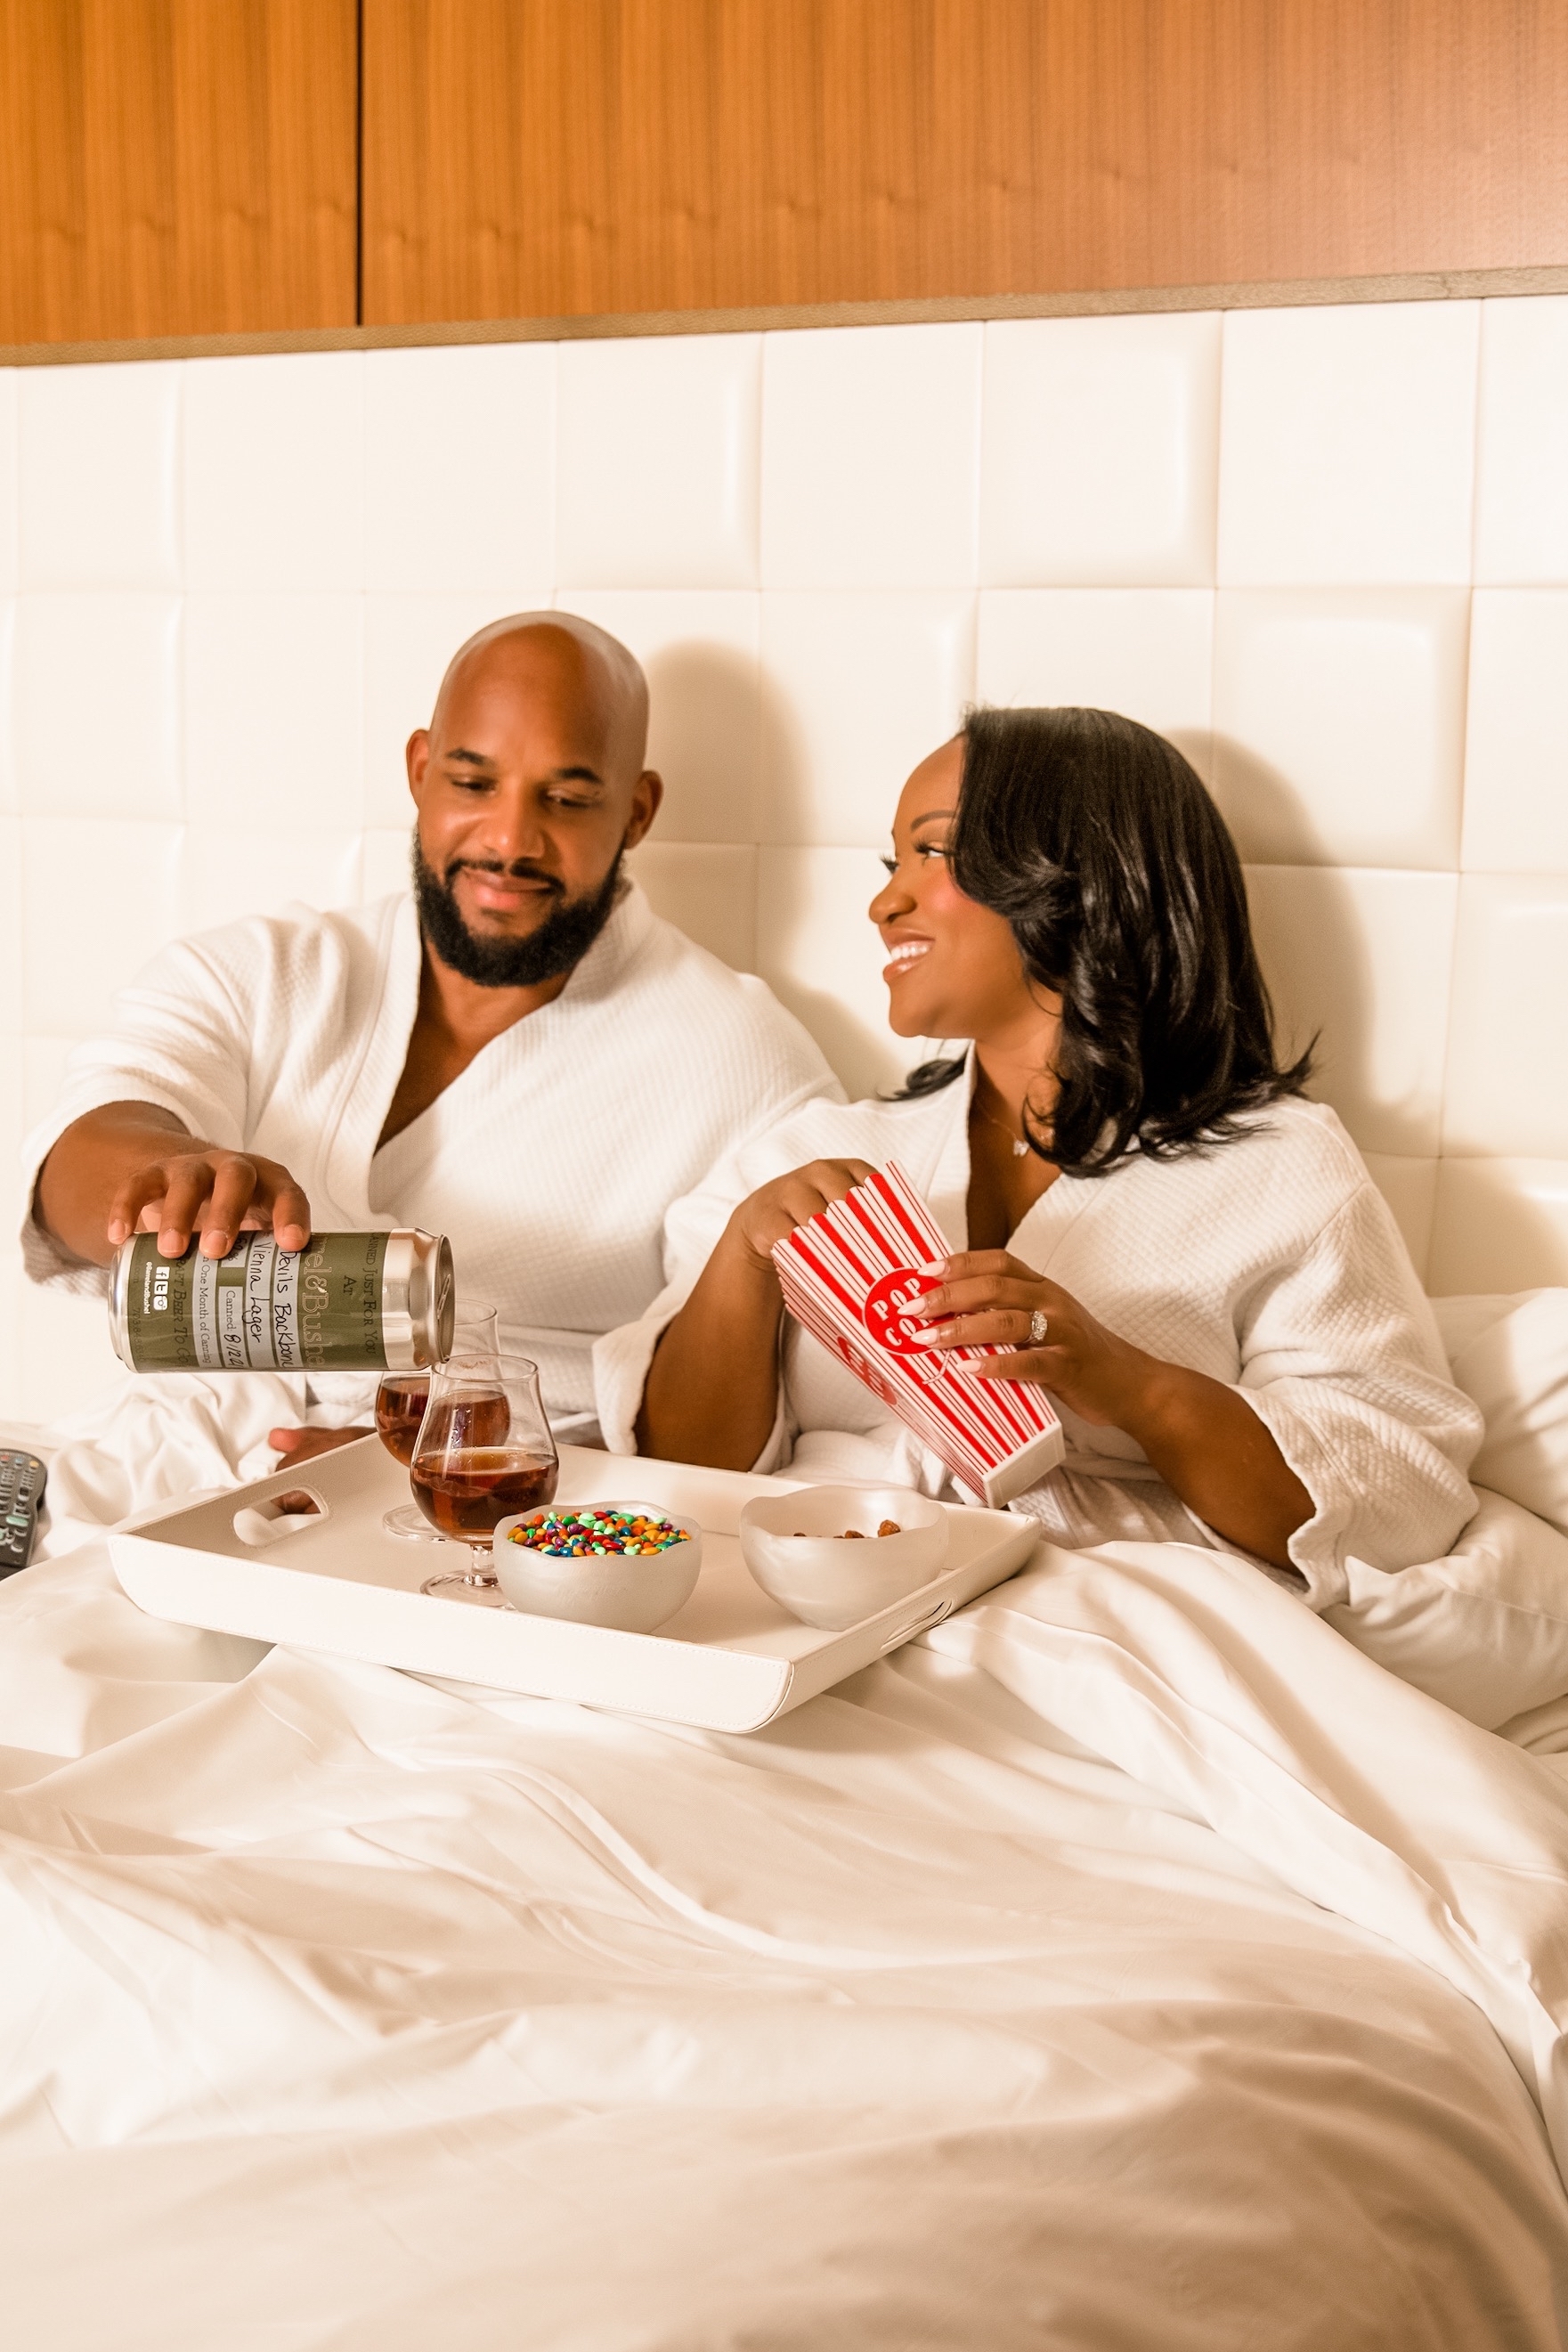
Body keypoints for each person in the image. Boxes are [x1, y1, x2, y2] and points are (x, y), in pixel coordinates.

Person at [597, 706, 1482, 1602]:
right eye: (890, 862)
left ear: (1078, 876)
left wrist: (1128, 1384)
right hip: (799, 1620)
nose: (883, 902)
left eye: (932, 853)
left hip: (1097, 1638)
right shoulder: (818, 1154)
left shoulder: (1280, 1169)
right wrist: (747, 1263)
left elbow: (1395, 1501)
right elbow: (681, 1478)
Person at [24, 613, 839, 1492]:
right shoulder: (268, 970)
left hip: (499, 1520)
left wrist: (467, 1469)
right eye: (472, 782)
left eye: (565, 799)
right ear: (420, 770)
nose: (509, 840)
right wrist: (164, 1174)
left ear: (637, 811)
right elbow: (94, 1131)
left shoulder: (744, 1061)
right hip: (168, 1479)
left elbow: (707, 1452)